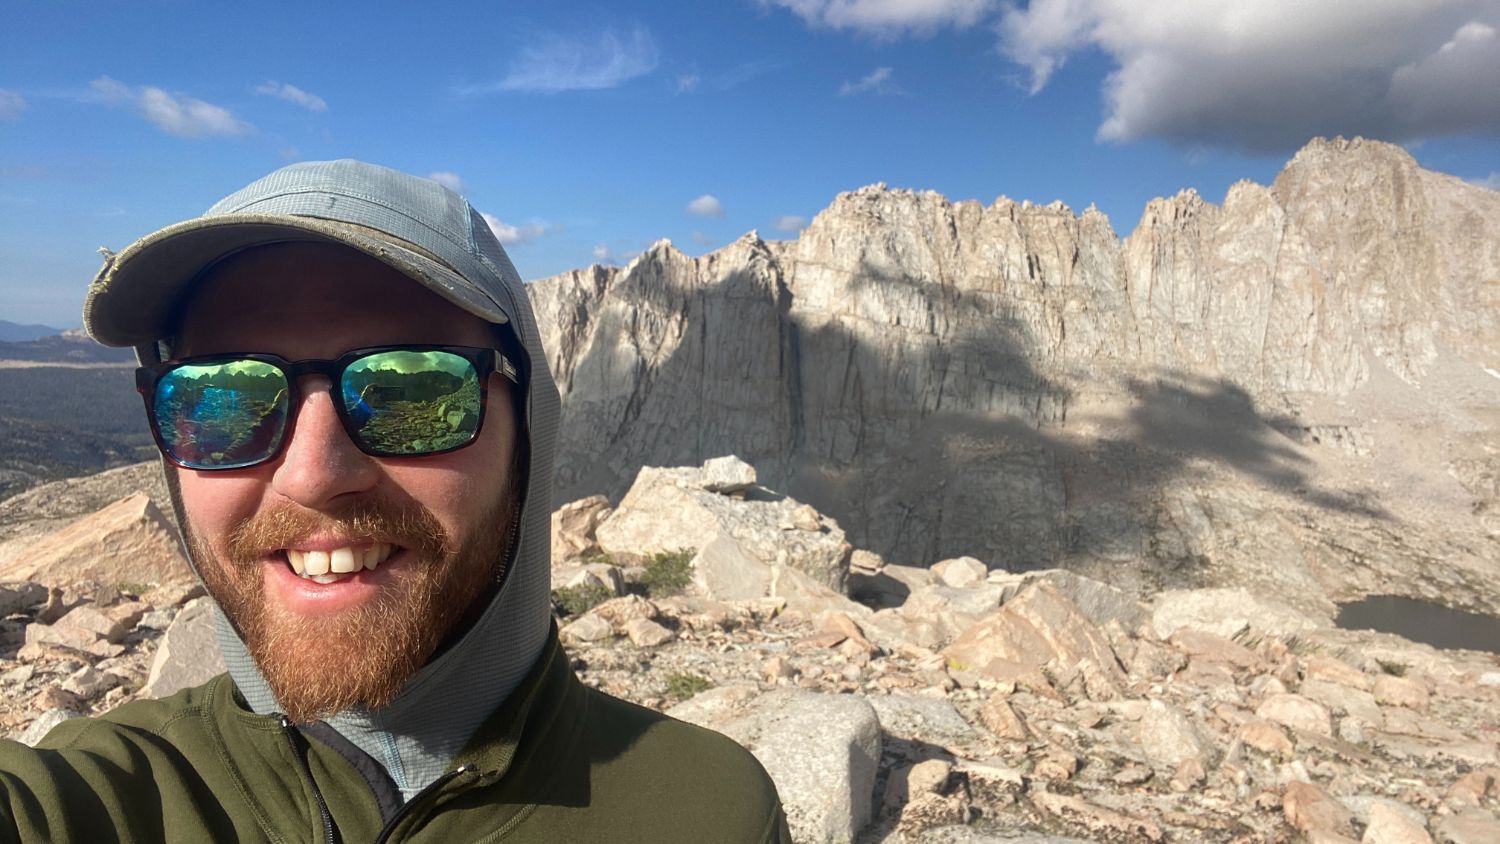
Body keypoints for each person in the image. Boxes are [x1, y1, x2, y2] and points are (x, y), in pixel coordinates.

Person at [0, 160, 792, 842]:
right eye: (224, 398)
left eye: (416, 390)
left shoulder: (708, 812)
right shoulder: (93, 798)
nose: (313, 474)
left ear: (529, 429)